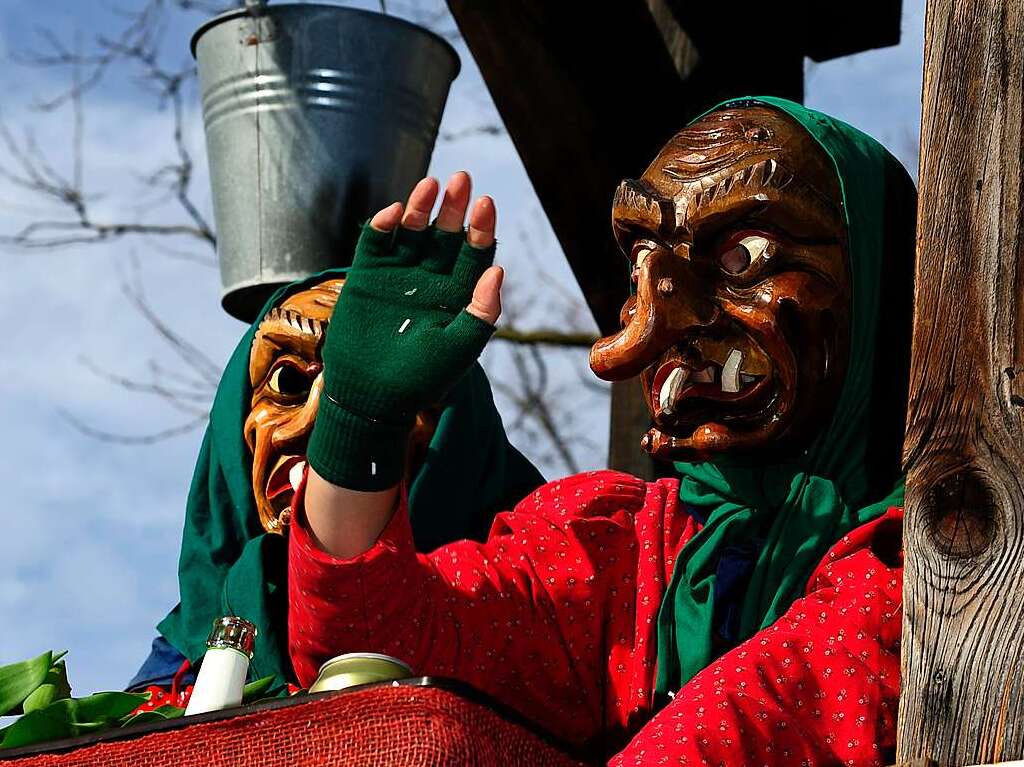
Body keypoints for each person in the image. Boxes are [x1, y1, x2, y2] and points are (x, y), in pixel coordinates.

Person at [284, 96, 916, 766]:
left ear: (874, 278)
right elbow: (378, 652)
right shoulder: (623, 553)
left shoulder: (942, 546)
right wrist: (357, 429)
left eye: (742, 258)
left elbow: (759, 714)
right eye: (646, 265)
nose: (658, 325)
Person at [127, 269, 543, 701]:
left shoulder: (542, 604)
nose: (324, 428)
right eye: (288, 382)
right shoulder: (181, 660)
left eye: (386, 393)